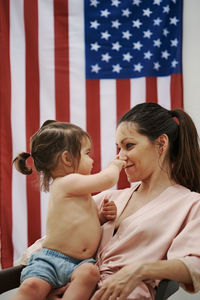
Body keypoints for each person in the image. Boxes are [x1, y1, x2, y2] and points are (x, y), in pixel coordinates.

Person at [16, 103, 200, 300]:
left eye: (129, 145)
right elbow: (52, 245)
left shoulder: (190, 204)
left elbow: (194, 263)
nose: (120, 156)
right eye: (118, 148)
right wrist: (48, 290)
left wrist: (140, 270)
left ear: (161, 144)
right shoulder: (107, 199)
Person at [11, 120, 126, 300]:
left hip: (81, 263)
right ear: (66, 158)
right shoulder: (66, 183)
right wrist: (115, 165)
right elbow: (107, 180)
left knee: (90, 273)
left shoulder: (77, 190)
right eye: (87, 153)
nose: (92, 159)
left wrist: (101, 217)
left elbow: (83, 222)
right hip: (51, 259)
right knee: (33, 286)